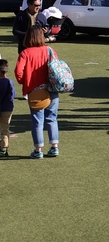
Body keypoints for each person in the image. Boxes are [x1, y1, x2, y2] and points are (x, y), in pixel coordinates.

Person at [15, 25, 60, 159]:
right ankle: (54, 147)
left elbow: (18, 73)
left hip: (35, 90)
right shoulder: (50, 50)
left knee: (37, 121)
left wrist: (26, 81)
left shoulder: (25, 53)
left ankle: (38, 149)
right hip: (52, 88)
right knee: (52, 118)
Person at [0, 59, 13, 157]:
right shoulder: (10, 82)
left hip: (2, 108)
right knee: (5, 129)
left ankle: (3, 148)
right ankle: (4, 148)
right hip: (8, 109)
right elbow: (13, 95)